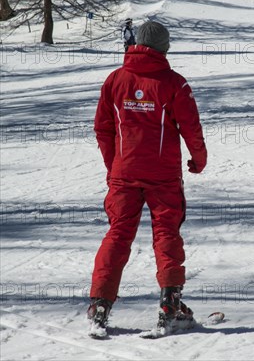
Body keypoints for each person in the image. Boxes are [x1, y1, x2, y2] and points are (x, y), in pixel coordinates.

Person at [89, 21, 208, 337]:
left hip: (124, 174)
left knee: (118, 233)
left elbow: (103, 128)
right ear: (164, 48)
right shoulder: (174, 83)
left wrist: (114, 165)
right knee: (166, 232)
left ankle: (100, 303)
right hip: (163, 176)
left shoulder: (115, 80)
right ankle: (170, 304)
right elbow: (191, 128)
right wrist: (199, 159)